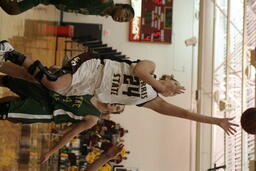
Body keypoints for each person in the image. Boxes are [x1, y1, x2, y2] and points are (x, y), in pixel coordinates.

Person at [0, 40, 238, 137]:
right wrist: (158, 85)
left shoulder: (152, 101)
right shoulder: (151, 68)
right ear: (168, 78)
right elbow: (138, 72)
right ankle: (10, 49)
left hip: (87, 87)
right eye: (176, 85)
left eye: (177, 90)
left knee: (37, 79)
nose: (176, 89)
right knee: (53, 82)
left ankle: (3, 63)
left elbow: (185, 114)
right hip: (94, 68)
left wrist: (216, 121)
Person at [0, 74, 124, 164]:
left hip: (45, 110)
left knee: (5, 108)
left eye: (118, 108)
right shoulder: (93, 92)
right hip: (46, 92)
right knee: (8, 80)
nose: (116, 105)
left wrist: (50, 152)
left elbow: (72, 133)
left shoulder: (93, 118)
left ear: (112, 111)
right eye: (118, 103)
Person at [0, 0, 134, 22]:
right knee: (13, 9)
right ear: (121, 6)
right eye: (125, 15)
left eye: (124, 20)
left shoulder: (103, 12)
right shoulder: (105, 1)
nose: (122, 19)